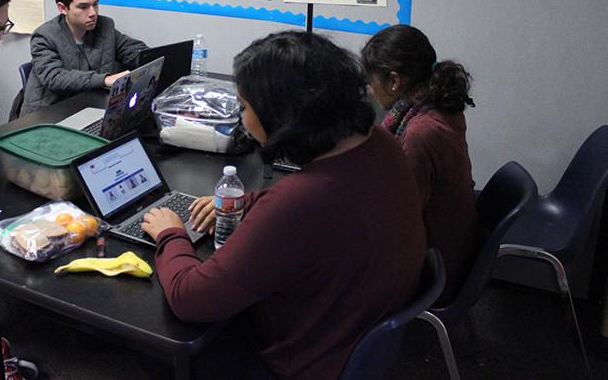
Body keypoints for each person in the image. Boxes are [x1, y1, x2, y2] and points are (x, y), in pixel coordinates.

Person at [142, 31, 426, 379]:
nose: (242, 119)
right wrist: (247, 201)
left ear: (282, 115)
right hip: (353, 329)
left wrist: (171, 233)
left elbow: (190, 299)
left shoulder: (300, 202)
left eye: (245, 107)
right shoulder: (381, 141)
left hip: (304, 361)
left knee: (166, 346)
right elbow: (318, 209)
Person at [361, 24, 478, 303]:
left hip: (434, 268)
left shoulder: (420, 133)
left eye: (371, 80)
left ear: (393, 81)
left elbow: (400, 220)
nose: (370, 88)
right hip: (451, 245)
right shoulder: (438, 106)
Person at [21, 0, 147, 115]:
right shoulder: (44, 36)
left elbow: (132, 50)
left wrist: (153, 58)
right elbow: (55, 78)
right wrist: (105, 80)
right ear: (62, 8)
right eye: (83, 7)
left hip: (90, 108)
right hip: (51, 114)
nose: (93, 13)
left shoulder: (104, 26)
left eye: (95, 4)